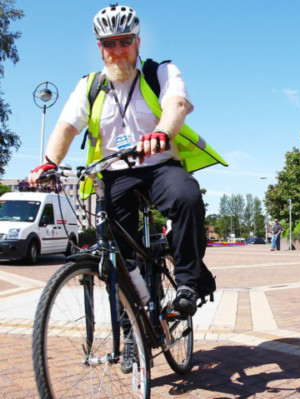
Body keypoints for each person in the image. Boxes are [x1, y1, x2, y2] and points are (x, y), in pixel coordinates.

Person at [28, 5, 226, 318]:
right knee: (117, 255)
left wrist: (161, 132)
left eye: (124, 40)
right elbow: (65, 126)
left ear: (137, 41)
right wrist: (50, 161)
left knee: (187, 197)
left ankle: (189, 283)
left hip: (160, 166)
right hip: (113, 175)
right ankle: (132, 330)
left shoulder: (160, 72)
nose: (117, 49)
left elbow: (176, 105)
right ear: (99, 47)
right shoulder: (89, 86)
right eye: (109, 43)